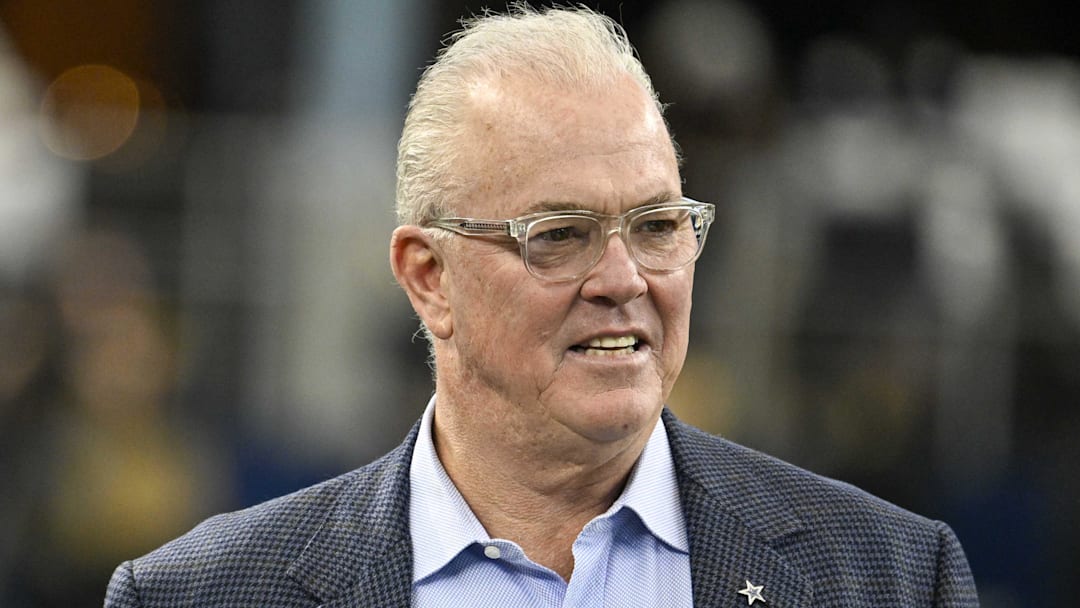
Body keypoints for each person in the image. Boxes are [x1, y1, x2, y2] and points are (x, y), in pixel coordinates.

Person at [105, 5, 978, 607]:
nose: (623, 278)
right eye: (559, 235)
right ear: (429, 278)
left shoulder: (895, 578)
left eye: (657, 226)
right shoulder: (202, 594)